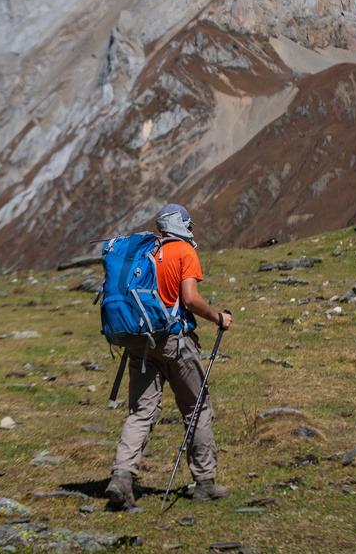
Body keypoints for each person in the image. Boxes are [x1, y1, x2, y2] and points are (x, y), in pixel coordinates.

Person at [105, 203, 233, 510]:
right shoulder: (184, 252)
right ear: (182, 225)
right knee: (197, 408)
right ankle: (205, 483)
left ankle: (121, 478)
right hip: (175, 343)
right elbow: (189, 299)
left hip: (140, 343)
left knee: (141, 412)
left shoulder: (145, 250)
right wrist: (218, 318)